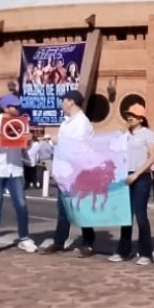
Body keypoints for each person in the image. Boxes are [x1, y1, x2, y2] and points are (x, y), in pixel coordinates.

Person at [0, 94, 37, 255]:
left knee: (21, 204)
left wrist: (30, 141)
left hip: (15, 169)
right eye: (15, 106)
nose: (18, 109)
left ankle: (24, 238)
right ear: (6, 108)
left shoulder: (22, 123)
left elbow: (25, 148)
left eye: (19, 106)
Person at [41, 90, 96, 257]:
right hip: (64, 172)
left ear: (71, 102)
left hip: (77, 173)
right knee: (63, 209)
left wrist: (57, 140)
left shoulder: (82, 122)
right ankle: (59, 241)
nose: (62, 103)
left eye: (63, 100)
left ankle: (88, 242)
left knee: (81, 209)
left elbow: (77, 146)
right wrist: (51, 142)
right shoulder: (66, 123)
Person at [108, 104, 154, 265]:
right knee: (125, 216)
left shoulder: (148, 134)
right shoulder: (124, 135)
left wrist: (136, 173)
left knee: (140, 215)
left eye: (134, 116)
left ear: (141, 118)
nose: (130, 117)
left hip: (141, 176)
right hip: (125, 176)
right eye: (128, 115)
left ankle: (146, 253)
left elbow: (152, 157)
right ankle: (123, 250)